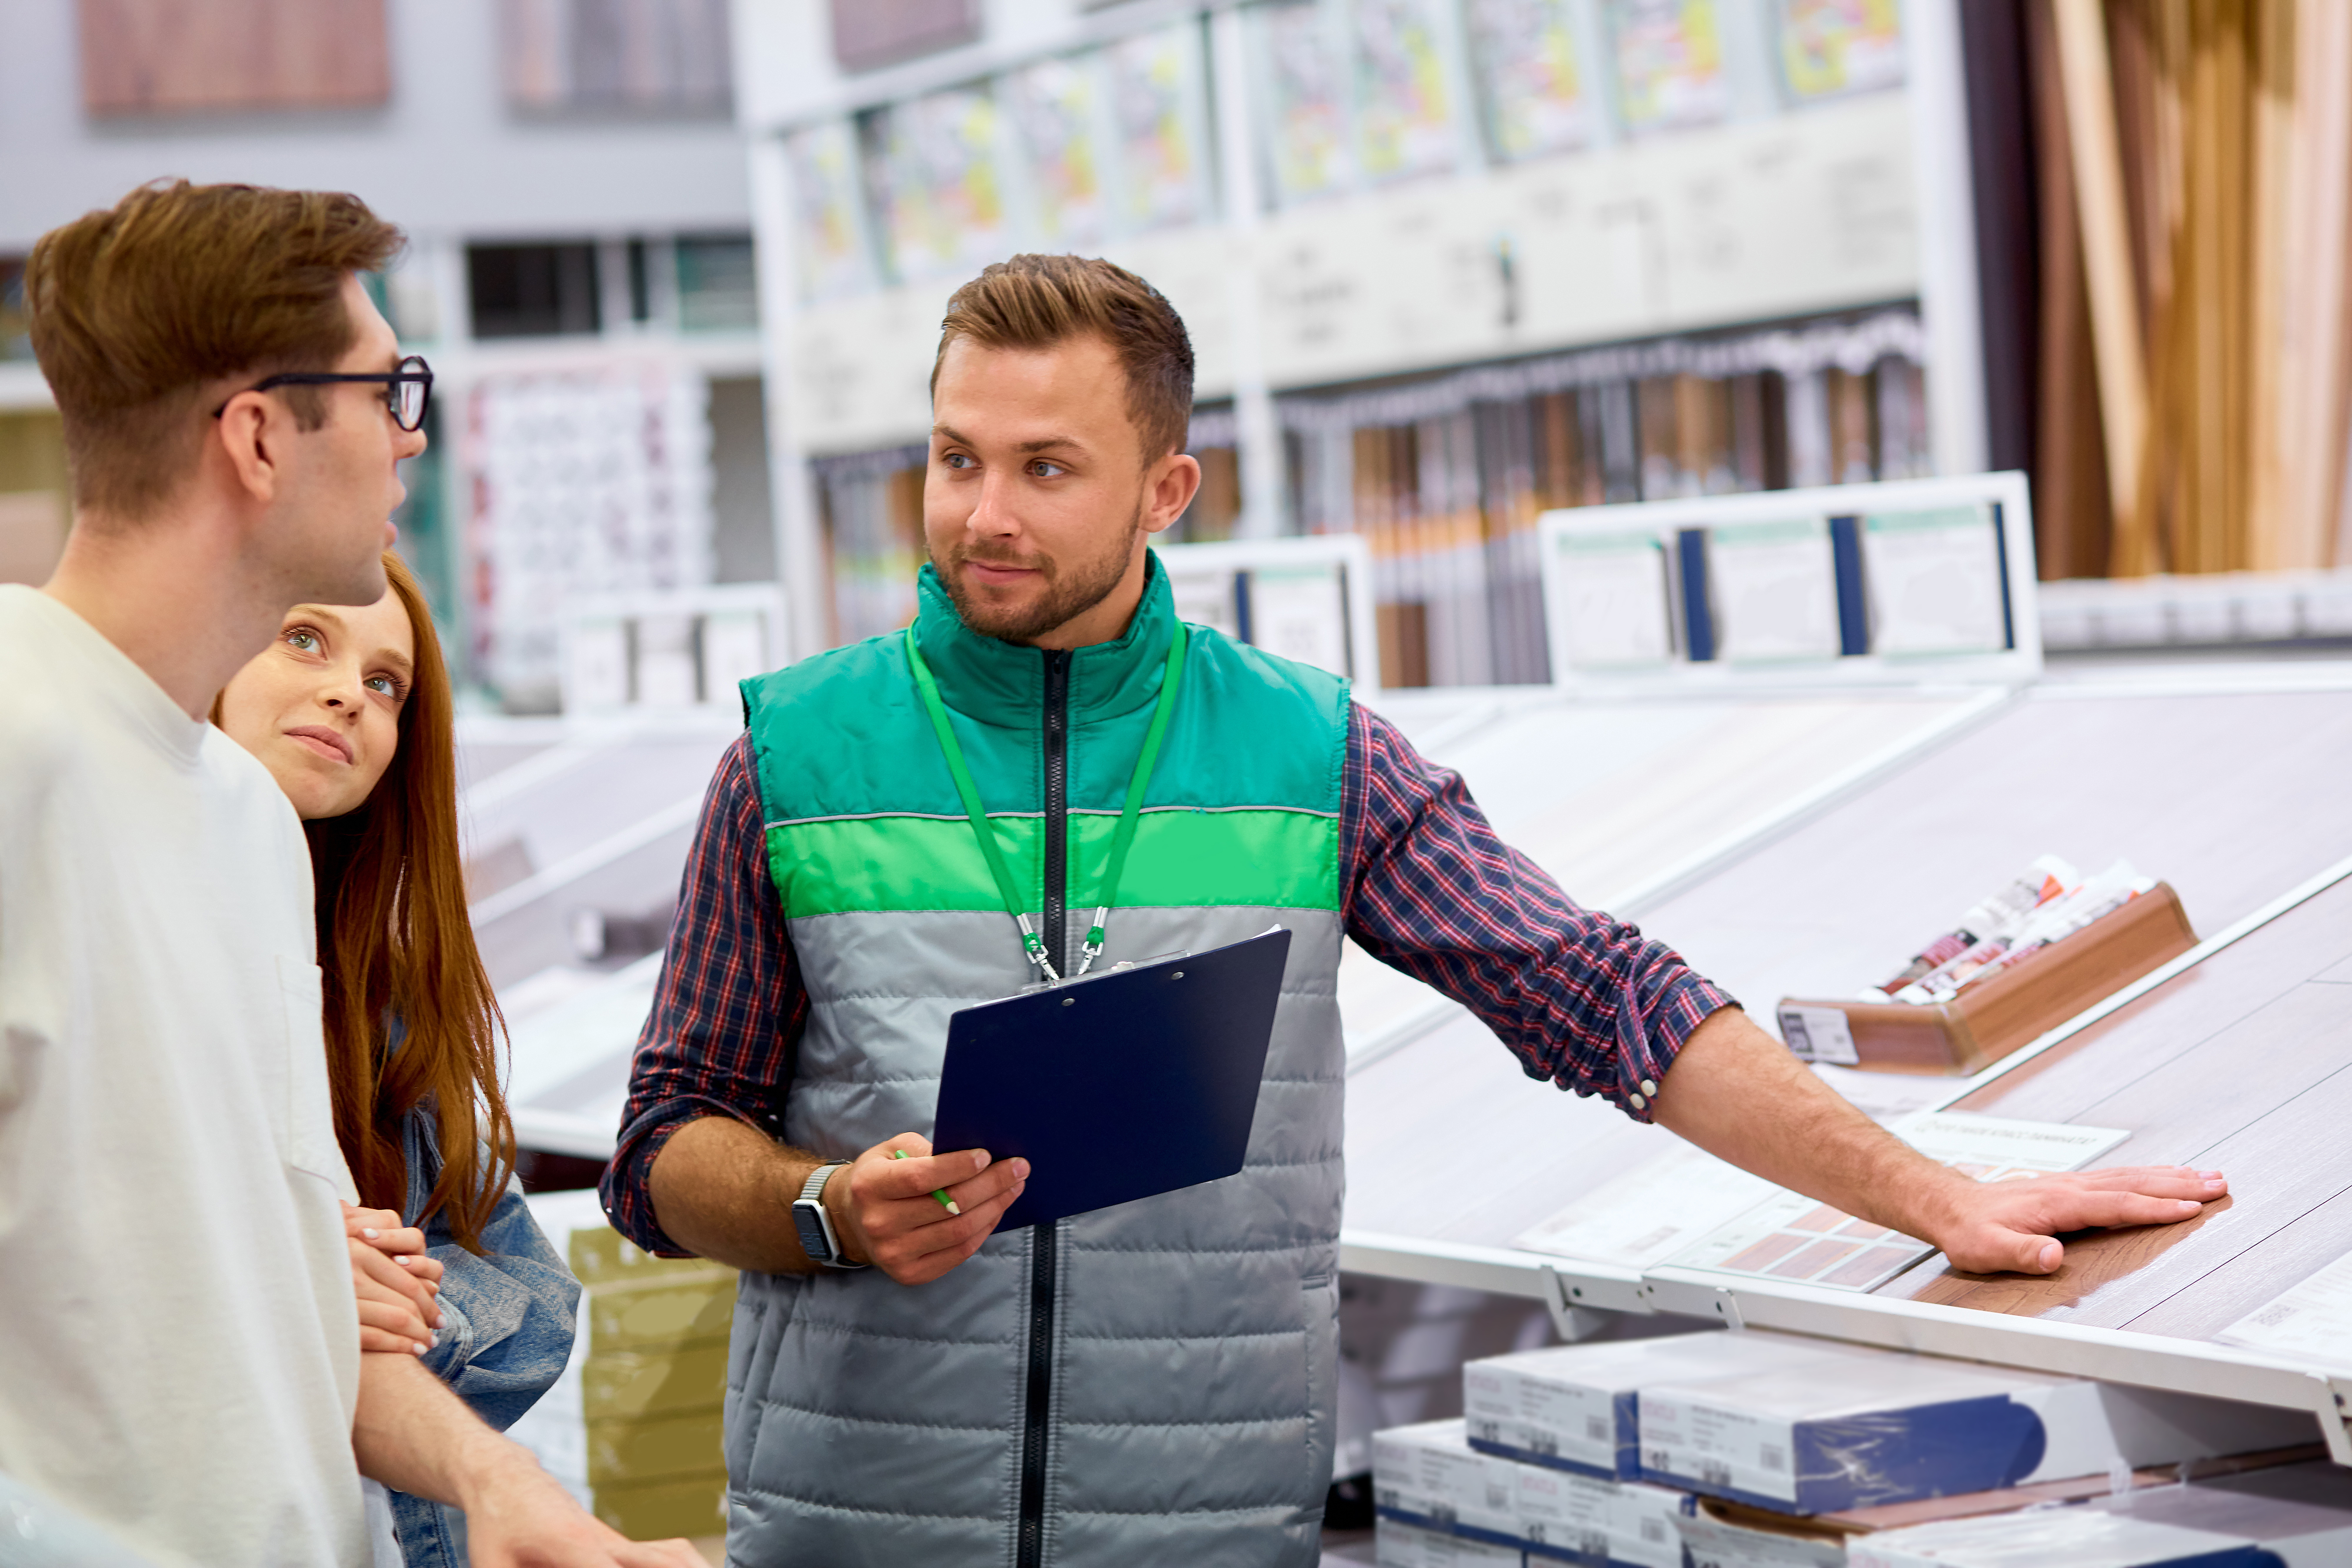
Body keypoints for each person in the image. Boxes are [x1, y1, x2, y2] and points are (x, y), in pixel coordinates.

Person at [602, 254, 2231, 1567]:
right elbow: (664, 1145)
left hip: (1203, 1532)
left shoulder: (1311, 753)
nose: (982, 516)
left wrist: (1928, 1192)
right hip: (852, 1527)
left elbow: (1596, 992)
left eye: (1045, 467)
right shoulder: (797, 754)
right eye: (957, 459)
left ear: (1167, 487)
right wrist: (822, 1206)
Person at [0, 178, 697, 1568]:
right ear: (259, 435)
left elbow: (313, 1308)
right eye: (392, 390)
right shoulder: (19, 744)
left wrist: (501, 1488)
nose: (412, 437)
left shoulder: (248, 823)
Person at [217, 549, 584, 1567]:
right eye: (304, 640)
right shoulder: (94, 933)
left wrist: (381, 1302)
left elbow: (539, 1308)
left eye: (386, 684)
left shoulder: (370, 1004)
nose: (349, 694)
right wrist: (284, 1275)